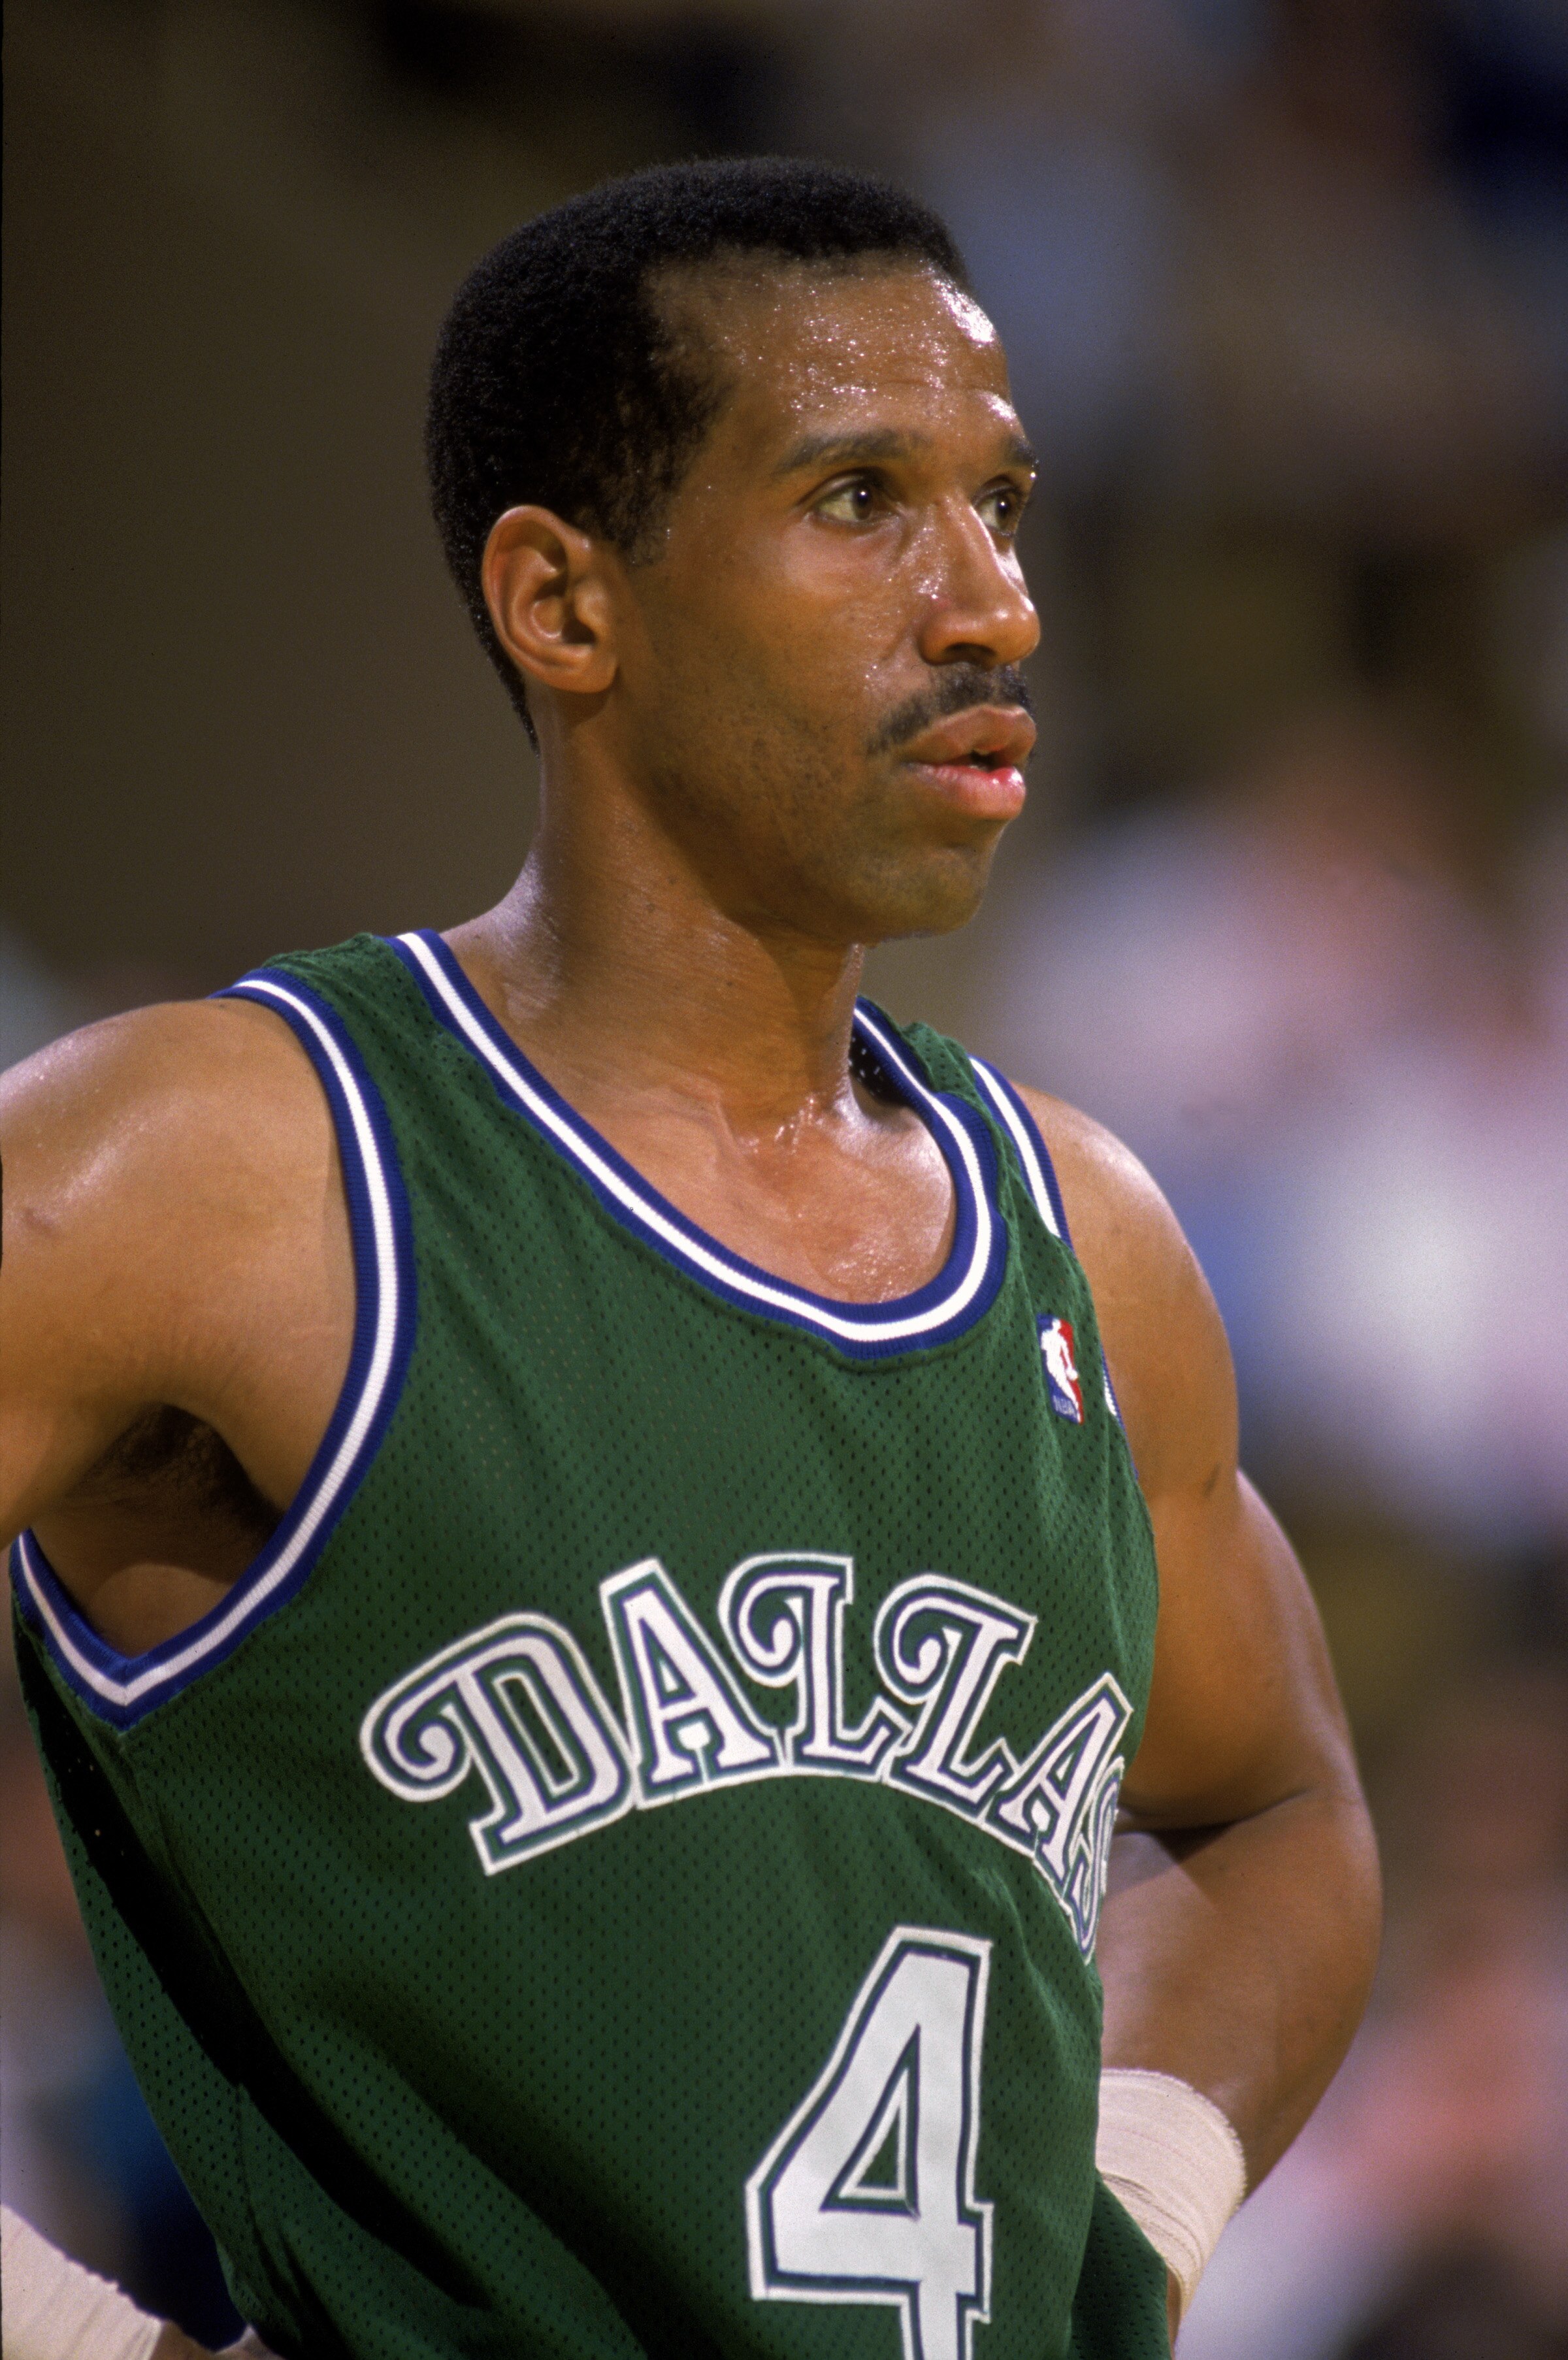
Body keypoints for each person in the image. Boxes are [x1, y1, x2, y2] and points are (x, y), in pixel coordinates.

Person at [0, 159, 1379, 2360]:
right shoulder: (212, 1163)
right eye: (859, 500)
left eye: (1002, 503)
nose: (993, 602)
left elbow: (1277, 1806)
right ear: (564, 602)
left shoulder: (1087, 1239)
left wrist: (1131, 2209)